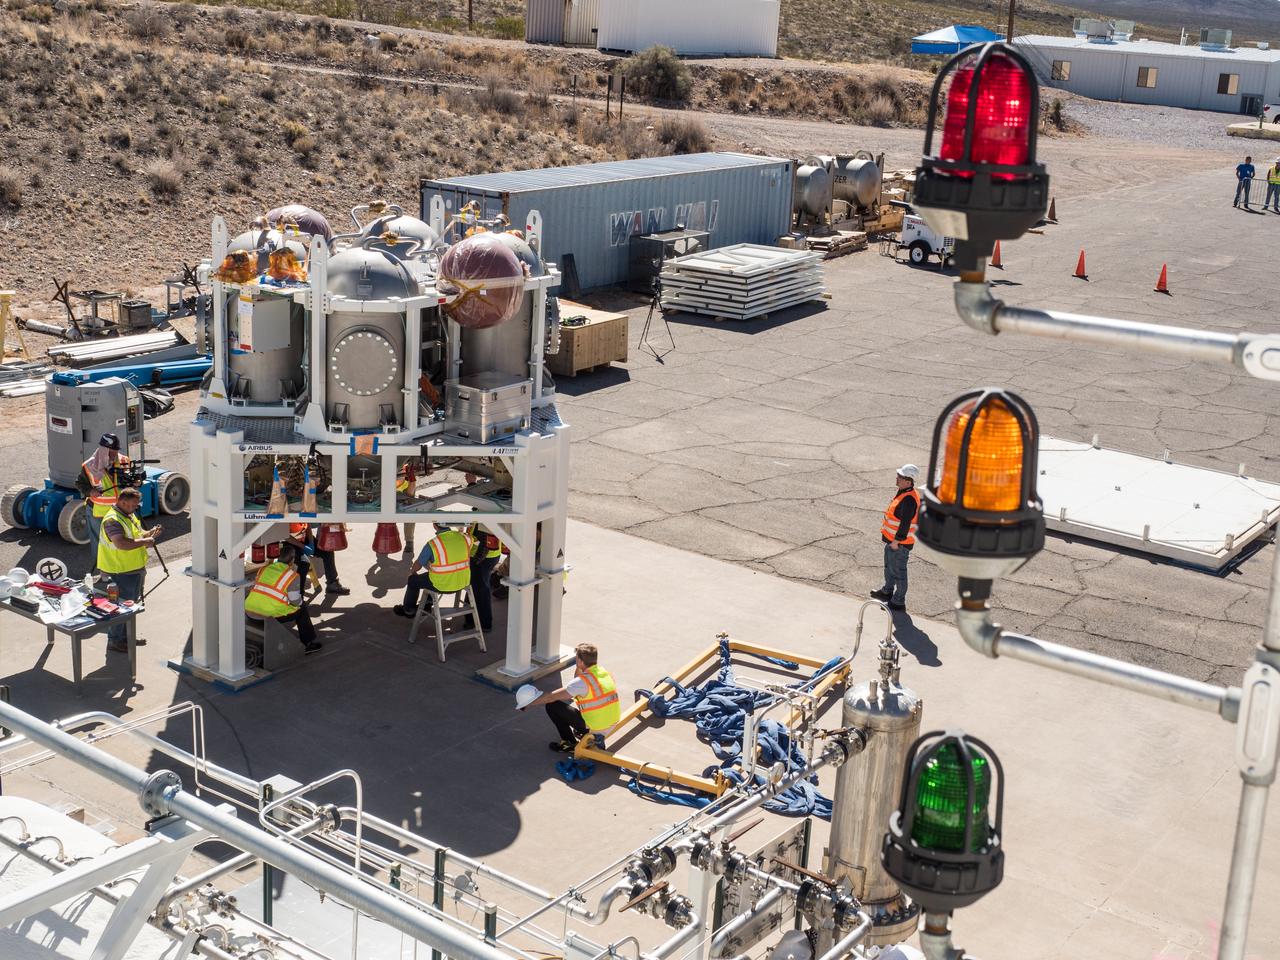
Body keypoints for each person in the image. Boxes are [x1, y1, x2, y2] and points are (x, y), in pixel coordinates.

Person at [521, 643, 620, 753]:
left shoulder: (583, 682)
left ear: (580, 661)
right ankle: (583, 735)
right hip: (612, 722)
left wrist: (529, 703)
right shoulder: (603, 673)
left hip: (595, 728)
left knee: (552, 706)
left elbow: (551, 697)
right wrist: (579, 666)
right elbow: (577, 681)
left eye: (577, 658)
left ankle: (569, 743)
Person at [97, 487, 157, 653]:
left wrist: (149, 533)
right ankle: (115, 641)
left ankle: (126, 637)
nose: (135, 508)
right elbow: (121, 543)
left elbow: (136, 534)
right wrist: (145, 542)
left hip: (133, 569)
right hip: (120, 572)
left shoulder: (127, 514)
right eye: (132, 505)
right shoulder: (112, 520)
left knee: (130, 606)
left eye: (136, 505)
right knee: (118, 608)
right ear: (122, 502)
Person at [245, 541, 322, 653]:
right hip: (267, 614)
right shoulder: (292, 576)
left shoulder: (265, 569)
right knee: (302, 609)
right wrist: (298, 603)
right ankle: (308, 643)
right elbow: (295, 601)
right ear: (292, 560)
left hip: (249, 609)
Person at [392, 525, 473, 618]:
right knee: (433, 572)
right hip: (463, 582)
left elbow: (417, 565)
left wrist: (412, 572)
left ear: (434, 526)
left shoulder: (433, 544)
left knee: (412, 580)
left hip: (442, 584)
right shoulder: (465, 538)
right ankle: (428, 603)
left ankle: (409, 610)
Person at [870, 464, 921, 612]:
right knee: (889, 568)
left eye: (900, 476)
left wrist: (896, 541)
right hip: (893, 541)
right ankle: (887, 592)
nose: (897, 478)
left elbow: (905, 524)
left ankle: (898, 602)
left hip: (899, 544)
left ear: (908, 481)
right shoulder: (904, 492)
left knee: (899, 571)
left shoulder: (909, 499)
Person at [76, 433, 129, 572]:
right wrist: (90, 491)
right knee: (100, 543)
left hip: (120, 510)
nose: (113, 455)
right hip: (98, 512)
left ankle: (121, 568)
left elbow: (129, 484)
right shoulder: (89, 466)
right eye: (110, 452)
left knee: (121, 540)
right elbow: (80, 484)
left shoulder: (124, 461)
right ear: (103, 450)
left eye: (115, 451)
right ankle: (103, 571)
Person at [288, 523, 350, 596]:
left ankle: (332, 584)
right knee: (304, 564)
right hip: (290, 544)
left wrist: (311, 542)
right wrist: (302, 547)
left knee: (327, 551)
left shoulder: (302, 513)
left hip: (304, 539)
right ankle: (299, 597)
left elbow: (307, 525)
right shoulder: (286, 515)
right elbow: (284, 535)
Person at [466, 520, 503, 632]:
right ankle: (471, 619)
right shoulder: (483, 512)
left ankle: (482, 622)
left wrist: (476, 561)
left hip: (482, 558)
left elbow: (484, 545)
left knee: (479, 589)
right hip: (488, 556)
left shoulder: (483, 517)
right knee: (476, 587)